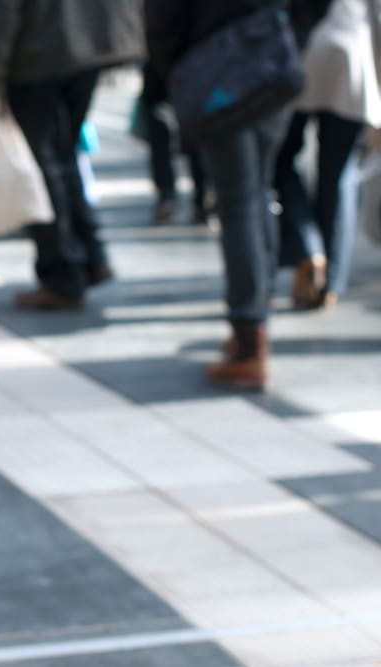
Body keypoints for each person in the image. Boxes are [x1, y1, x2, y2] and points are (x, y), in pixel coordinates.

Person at [146, 0, 298, 390]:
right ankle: (255, 322)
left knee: (239, 202)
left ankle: (250, 335)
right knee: (257, 192)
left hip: (217, 69)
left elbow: (163, 20)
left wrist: (174, 70)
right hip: (269, 62)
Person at [0, 0, 145, 310]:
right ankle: (89, 256)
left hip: (37, 54)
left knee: (45, 164)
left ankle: (64, 272)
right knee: (62, 156)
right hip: (86, 45)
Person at [274, 0, 380, 309]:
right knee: (339, 171)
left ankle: (308, 248)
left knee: (282, 158)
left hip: (299, 49)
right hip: (351, 55)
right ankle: (330, 280)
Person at [139, 62, 212, 226]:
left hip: (164, 66)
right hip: (194, 66)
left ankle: (169, 194)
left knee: (161, 134)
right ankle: (201, 194)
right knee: (196, 131)